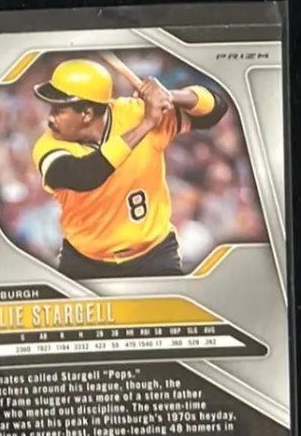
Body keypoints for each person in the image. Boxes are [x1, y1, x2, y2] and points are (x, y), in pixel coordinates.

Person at [31, 58, 230, 278]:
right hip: (86, 259)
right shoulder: (48, 145)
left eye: (59, 109)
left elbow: (215, 109)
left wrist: (170, 95)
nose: (50, 118)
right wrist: (146, 125)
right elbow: (85, 175)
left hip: (154, 253)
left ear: (87, 114)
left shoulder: (134, 112)